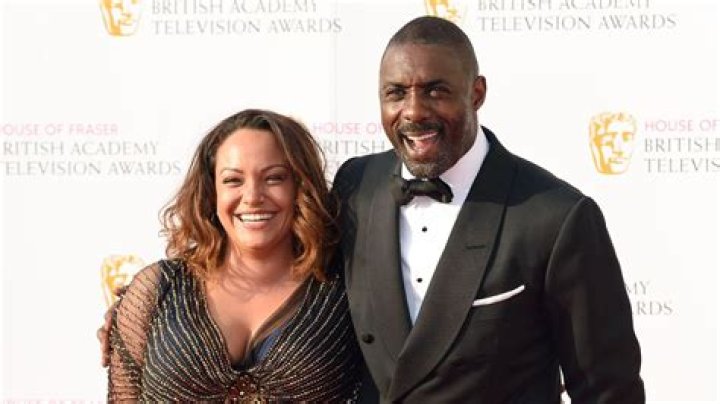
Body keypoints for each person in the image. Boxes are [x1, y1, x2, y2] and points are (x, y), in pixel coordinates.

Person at [332, 16, 645, 403]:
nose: (413, 111)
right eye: (396, 93)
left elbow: (608, 391)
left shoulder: (555, 217)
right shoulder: (355, 187)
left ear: (476, 93)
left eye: (435, 91)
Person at [105, 109, 363, 401]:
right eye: (233, 180)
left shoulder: (346, 293)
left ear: (300, 187)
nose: (252, 196)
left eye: (274, 178)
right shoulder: (158, 289)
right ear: (211, 191)